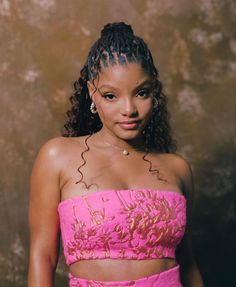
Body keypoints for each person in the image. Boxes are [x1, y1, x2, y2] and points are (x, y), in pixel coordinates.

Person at [28, 22, 204, 287]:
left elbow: (188, 264)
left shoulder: (177, 169)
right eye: (111, 96)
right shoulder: (57, 156)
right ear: (92, 93)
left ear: (153, 93)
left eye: (141, 93)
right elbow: (43, 256)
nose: (129, 109)